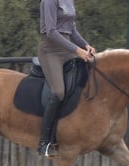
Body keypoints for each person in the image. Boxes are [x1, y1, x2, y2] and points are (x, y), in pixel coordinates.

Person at [38, 0, 96, 157]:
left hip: (67, 49)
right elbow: (51, 32)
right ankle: (44, 142)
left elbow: (72, 30)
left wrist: (85, 45)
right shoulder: (49, 1)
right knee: (58, 92)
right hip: (50, 50)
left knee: (88, 78)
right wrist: (77, 50)